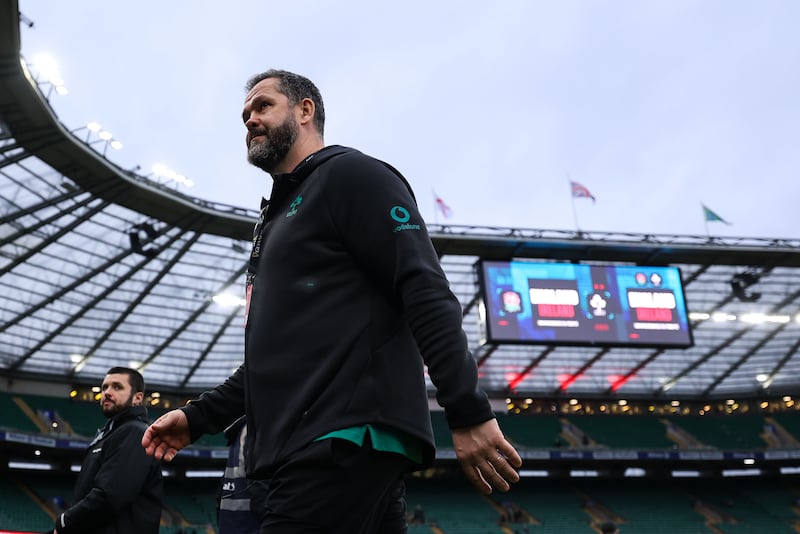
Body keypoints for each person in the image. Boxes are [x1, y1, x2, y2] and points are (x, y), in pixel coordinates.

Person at [142, 69, 522, 533]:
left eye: (263, 106)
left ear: (306, 111)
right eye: (245, 115)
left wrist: (466, 409)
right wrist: (198, 417)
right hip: (318, 446)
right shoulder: (276, 220)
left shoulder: (350, 175)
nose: (250, 120)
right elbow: (274, 357)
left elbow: (423, 288)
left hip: (340, 440)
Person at [54, 367, 163, 534]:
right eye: (104, 387)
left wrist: (65, 521)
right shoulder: (110, 433)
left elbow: (110, 496)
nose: (107, 392)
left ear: (137, 398)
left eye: (117, 387)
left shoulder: (135, 432)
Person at [217, 416, 266, 533]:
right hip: (251, 527)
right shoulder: (259, 430)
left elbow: (220, 494)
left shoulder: (240, 432)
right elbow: (261, 491)